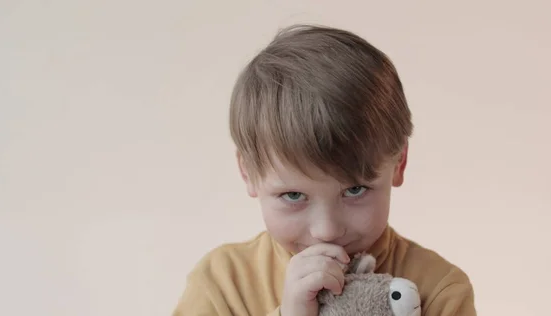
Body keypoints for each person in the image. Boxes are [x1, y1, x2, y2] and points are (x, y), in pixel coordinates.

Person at [172, 24, 476, 316]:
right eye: (293, 195)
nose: (327, 230)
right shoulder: (222, 284)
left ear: (399, 163)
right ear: (248, 174)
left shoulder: (438, 290)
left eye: (355, 190)